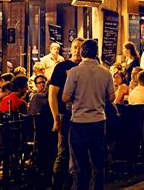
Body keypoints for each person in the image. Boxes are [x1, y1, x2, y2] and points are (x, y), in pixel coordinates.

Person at [62, 39, 115, 190]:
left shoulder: (74, 72)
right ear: (96, 53)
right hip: (98, 121)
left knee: (80, 164)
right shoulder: (105, 72)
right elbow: (111, 97)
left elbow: (65, 97)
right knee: (98, 163)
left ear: (82, 52)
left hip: (79, 123)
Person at [49, 37, 84, 190]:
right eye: (75, 47)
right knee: (63, 153)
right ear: (71, 49)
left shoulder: (87, 68)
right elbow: (52, 94)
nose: (77, 50)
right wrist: (56, 117)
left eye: (80, 48)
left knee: (80, 153)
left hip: (83, 117)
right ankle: (57, 185)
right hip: (65, 115)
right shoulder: (61, 67)